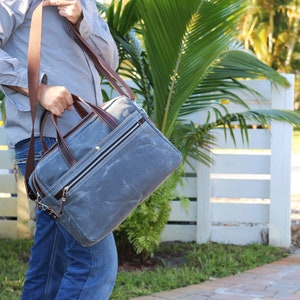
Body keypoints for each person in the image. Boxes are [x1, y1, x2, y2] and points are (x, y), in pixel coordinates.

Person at [0, 0, 119, 299]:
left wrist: (81, 19)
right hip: (49, 143)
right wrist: (38, 90)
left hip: (86, 142)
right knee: (96, 262)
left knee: (51, 267)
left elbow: (110, 61)